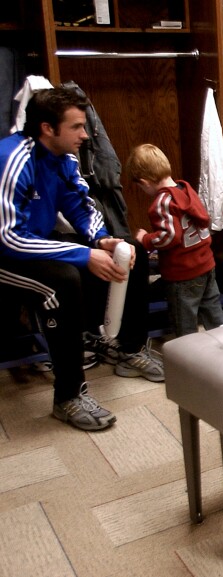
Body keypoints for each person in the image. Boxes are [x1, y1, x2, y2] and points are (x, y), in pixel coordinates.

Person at [0, 88, 160, 431]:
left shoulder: (64, 158)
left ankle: (128, 349)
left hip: (35, 242)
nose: (86, 135)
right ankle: (68, 395)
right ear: (48, 128)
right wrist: (84, 254)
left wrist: (102, 240)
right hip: (5, 253)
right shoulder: (12, 160)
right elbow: (9, 237)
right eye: (77, 127)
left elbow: (80, 206)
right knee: (63, 281)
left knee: (133, 250)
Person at [127, 143, 223, 337]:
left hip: (183, 274)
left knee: (184, 323)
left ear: (144, 182)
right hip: (206, 265)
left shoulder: (162, 202)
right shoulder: (187, 190)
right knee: (213, 312)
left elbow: (170, 236)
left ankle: (187, 360)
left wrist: (145, 239)